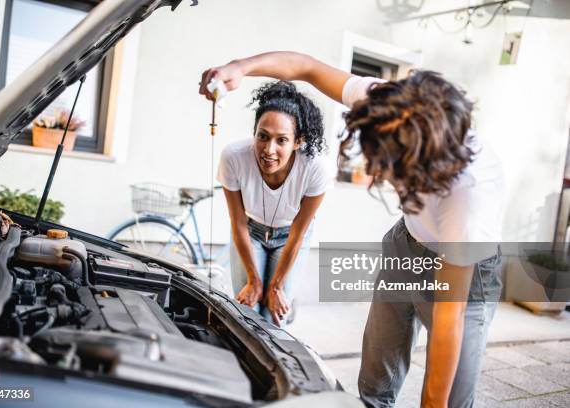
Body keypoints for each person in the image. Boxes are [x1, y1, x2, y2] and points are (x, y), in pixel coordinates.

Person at [200, 52, 505, 408]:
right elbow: (307, 68)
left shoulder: (468, 195)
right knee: (376, 384)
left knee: (448, 398)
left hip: (465, 270)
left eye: (390, 166)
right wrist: (240, 68)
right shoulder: (392, 108)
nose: (382, 175)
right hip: (407, 244)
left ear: (420, 159)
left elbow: (449, 319)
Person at [216, 80, 333, 327]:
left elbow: (299, 232)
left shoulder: (316, 168)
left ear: (298, 141)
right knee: (246, 310)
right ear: (254, 132)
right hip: (250, 232)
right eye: (263, 136)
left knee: (273, 317)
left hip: (291, 236)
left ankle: (285, 297)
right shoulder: (233, 157)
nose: (269, 150)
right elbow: (237, 223)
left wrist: (277, 286)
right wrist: (254, 281)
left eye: (282, 140)